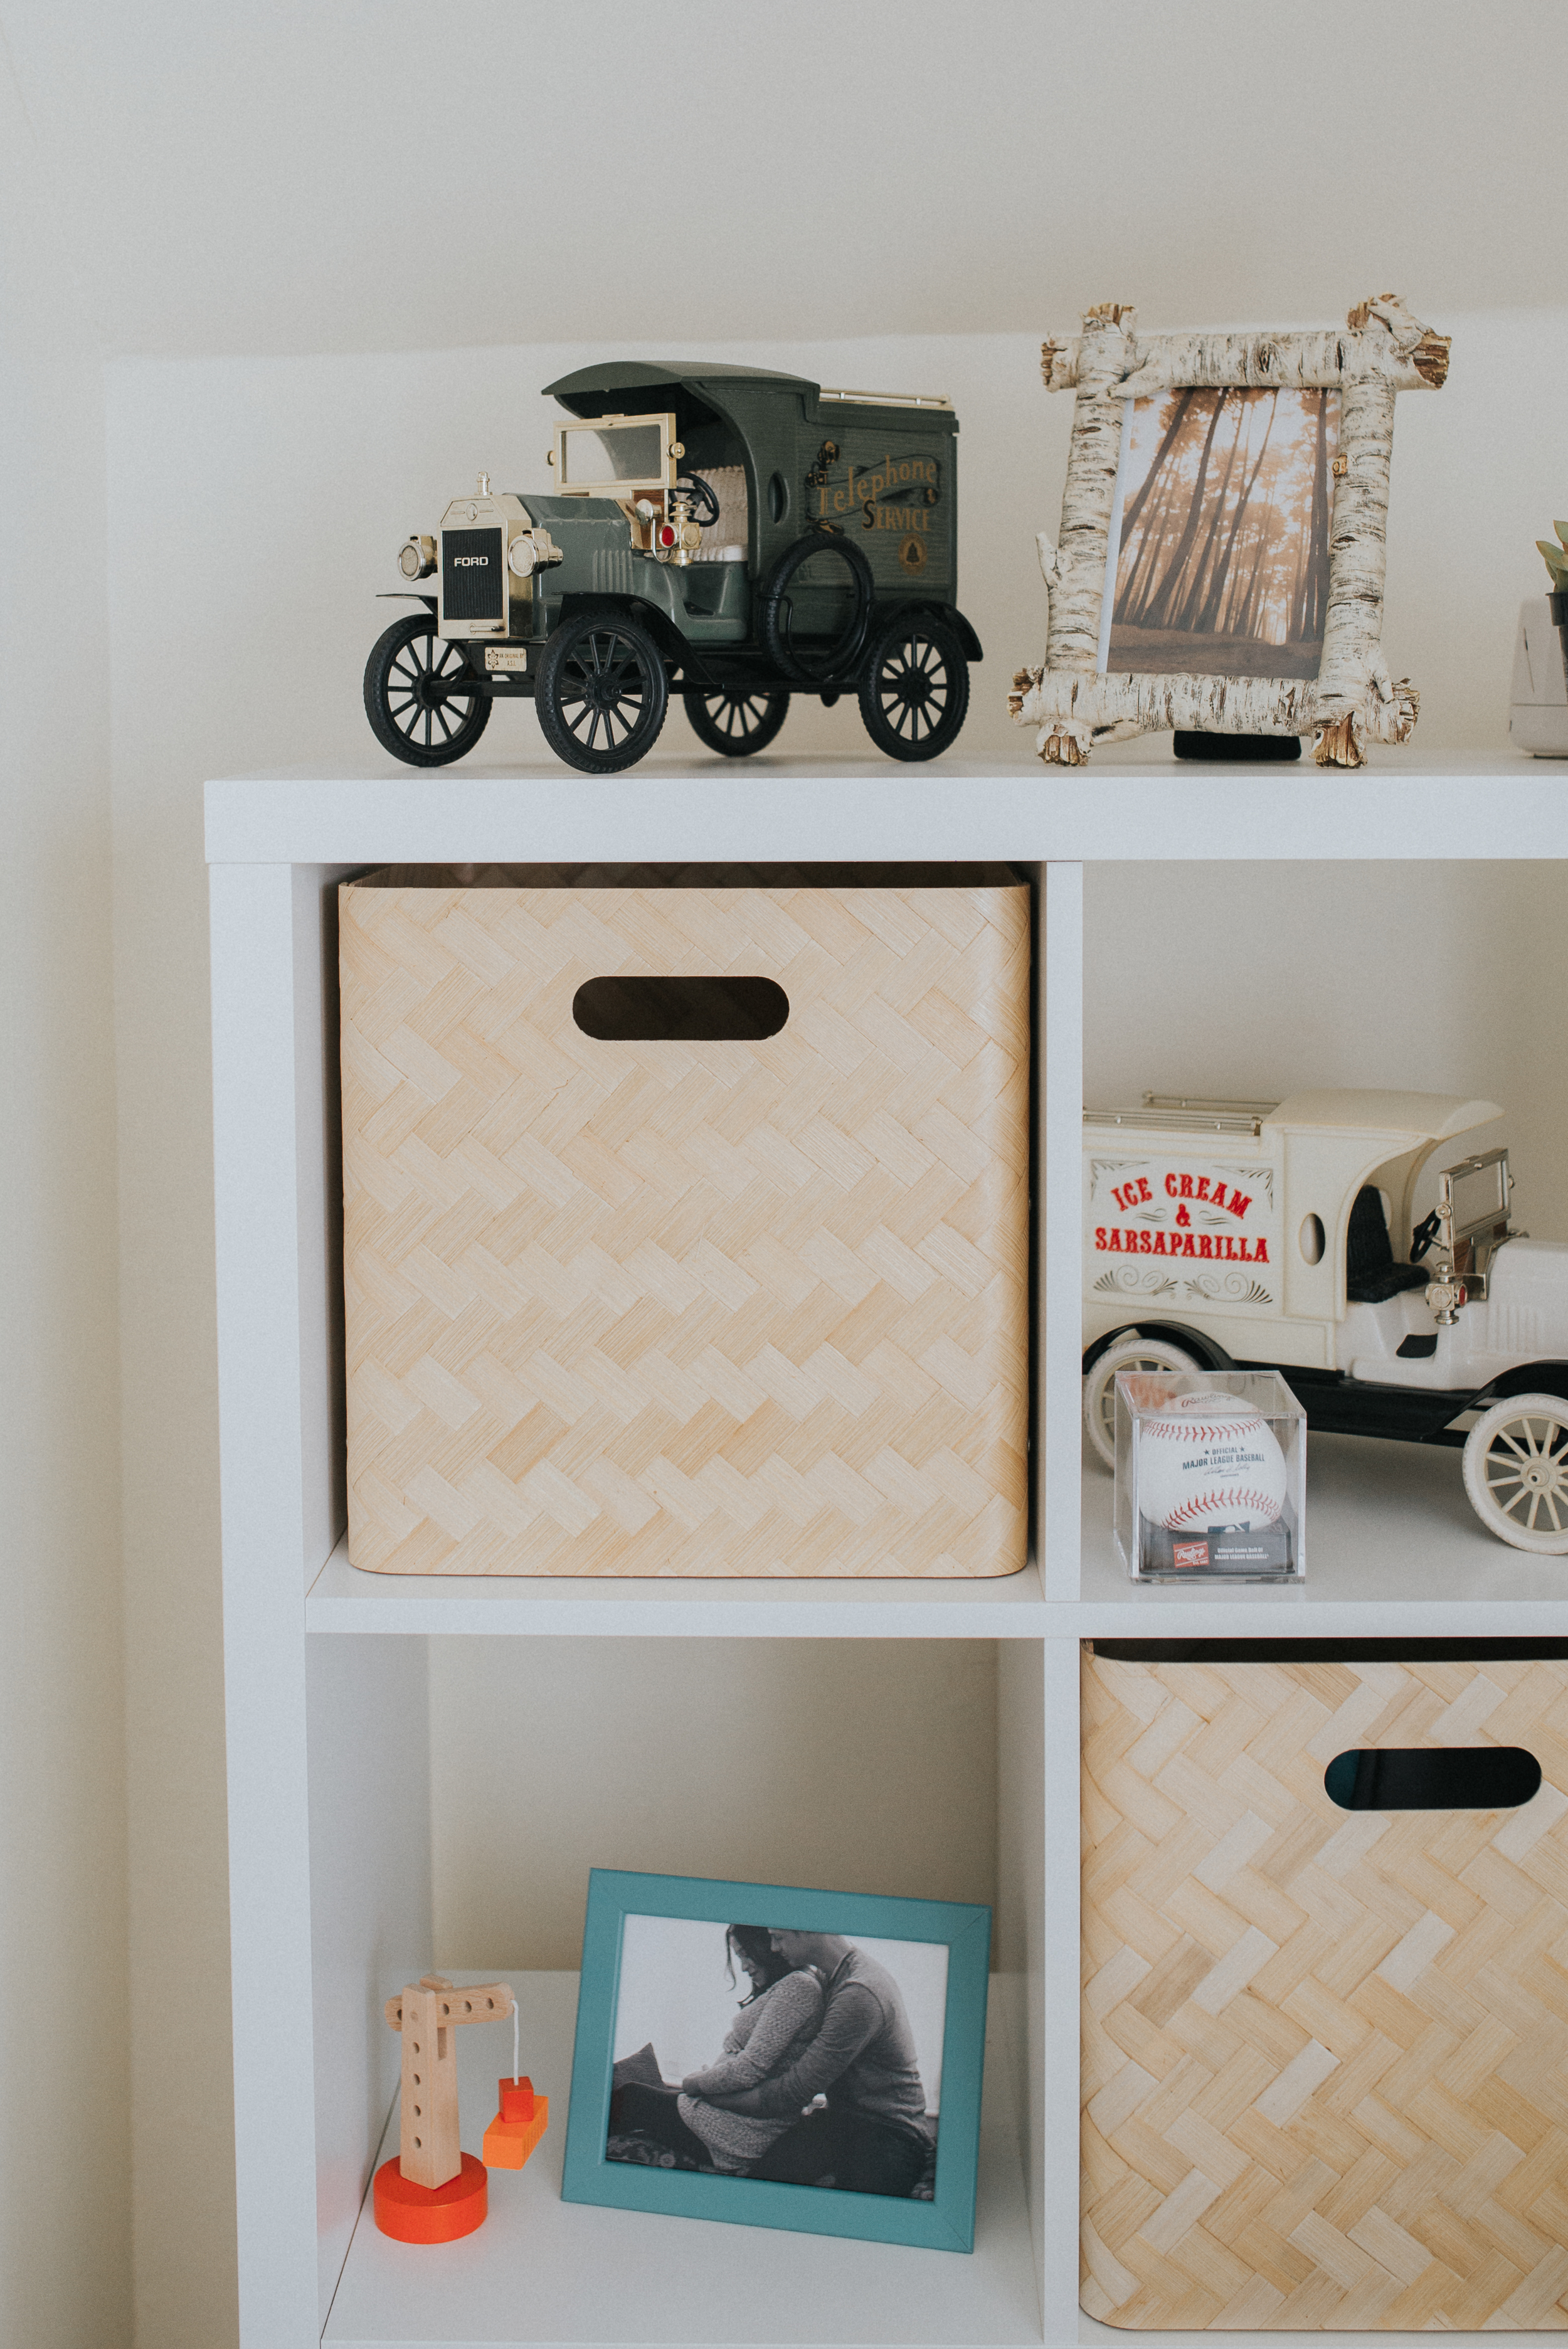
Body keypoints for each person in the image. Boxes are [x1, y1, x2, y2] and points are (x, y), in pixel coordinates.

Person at [699, 1929, 932, 2197]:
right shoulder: (826, 1977)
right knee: (758, 2188)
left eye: (779, 1938)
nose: (774, 1948)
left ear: (807, 1931)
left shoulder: (860, 1991)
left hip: (893, 2131)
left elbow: (791, 2093)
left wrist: (710, 2095)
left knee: (856, 2213)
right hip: (842, 2120)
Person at [607, 1926, 825, 2173]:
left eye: (745, 1954)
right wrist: (735, 2041)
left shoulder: (798, 1987)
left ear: (765, 1945)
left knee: (631, 2097)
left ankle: (576, 2155)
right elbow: (758, 2054)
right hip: (726, 2122)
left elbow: (748, 2070)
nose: (743, 1966)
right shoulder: (789, 1987)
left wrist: (693, 2082)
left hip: (733, 2133)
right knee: (632, 2102)